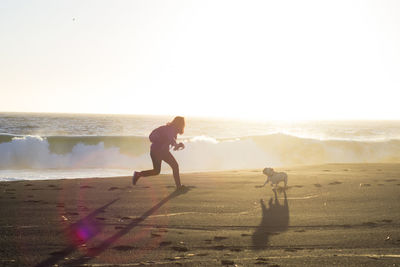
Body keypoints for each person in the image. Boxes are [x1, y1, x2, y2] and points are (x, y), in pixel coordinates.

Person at [132, 116, 186, 189]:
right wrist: (177, 145)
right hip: (161, 152)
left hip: (154, 151)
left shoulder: (168, 128)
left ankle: (138, 174)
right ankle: (179, 186)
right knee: (175, 166)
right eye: (183, 123)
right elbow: (171, 139)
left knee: (156, 171)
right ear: (179, 124)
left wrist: (177, 145)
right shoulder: (171, 129)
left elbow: (170, 141)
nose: (183, 125)